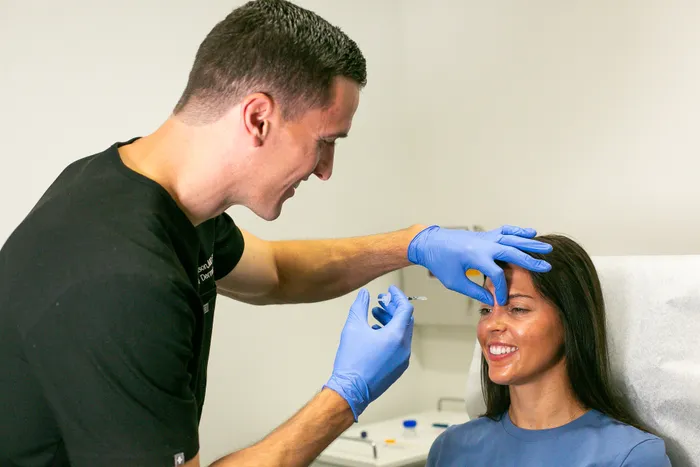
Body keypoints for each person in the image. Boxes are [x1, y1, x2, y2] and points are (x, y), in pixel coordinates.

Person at [0, 1, 554, 466]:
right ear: (259, 118)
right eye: (326, 141)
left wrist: (413, 242)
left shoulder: (146, 194)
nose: (326, 169)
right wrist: (347, 395)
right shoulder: (123, 279)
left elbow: (275, 273)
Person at [426, 234, 672, 466]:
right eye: (486, 310)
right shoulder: (451, 448)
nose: (491, 325)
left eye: (518, 309)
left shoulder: (631, 456)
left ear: (571, 321)